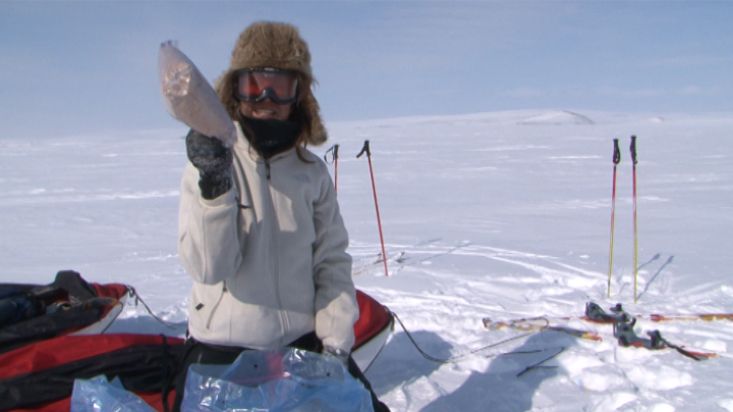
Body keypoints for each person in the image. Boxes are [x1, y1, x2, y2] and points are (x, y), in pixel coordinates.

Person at [174, 21, 389, 411]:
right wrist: (215, 185)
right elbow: (208, 268)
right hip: (223, 348)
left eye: (280, 86)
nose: (266, 98)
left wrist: (335, 346)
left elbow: (331, 261)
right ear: (235, 91)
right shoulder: (212, 163)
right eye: (254, 85)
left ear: (299, 94)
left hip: (302, 343)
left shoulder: (311, 173)